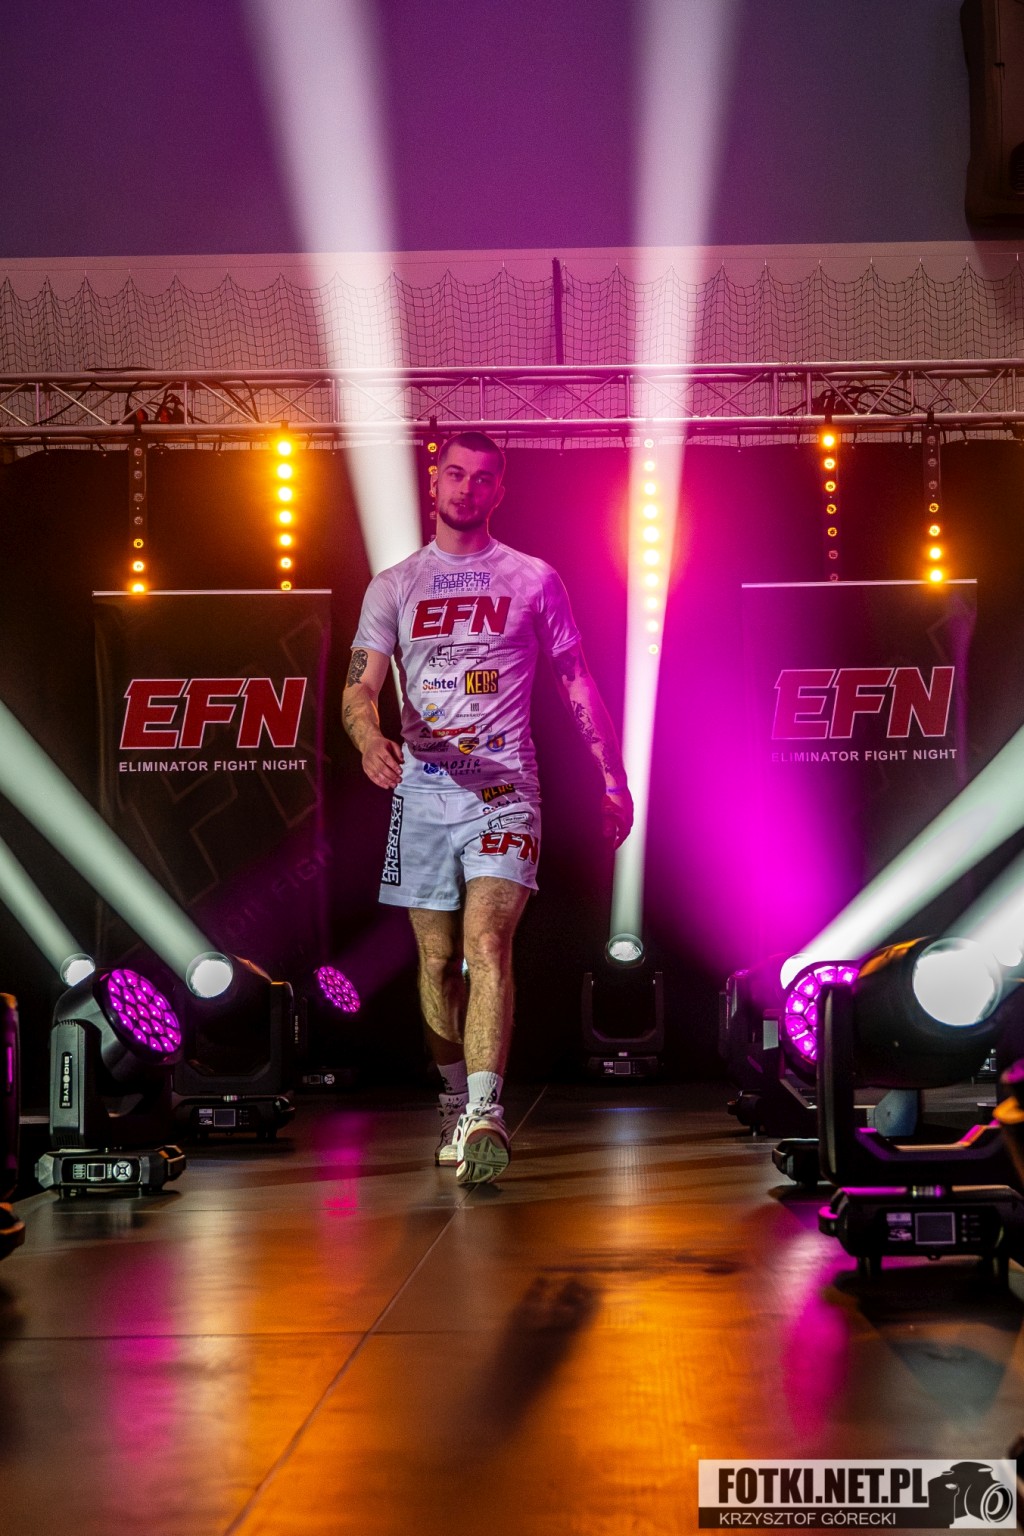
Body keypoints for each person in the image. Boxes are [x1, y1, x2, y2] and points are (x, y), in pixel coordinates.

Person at [343, 432, 633, 1185]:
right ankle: (452, 1103)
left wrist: (612, 778)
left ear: (500, 491)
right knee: (438, 962)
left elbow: (575, 680)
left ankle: (485, 1112)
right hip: (421, 795)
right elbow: (360, 686)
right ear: (433, 483)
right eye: (455, 474)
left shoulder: (533, 578)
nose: (466, 488)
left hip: (506, 794)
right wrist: (369, 739)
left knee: (487, 944)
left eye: (482, 478)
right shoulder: (394, 584)